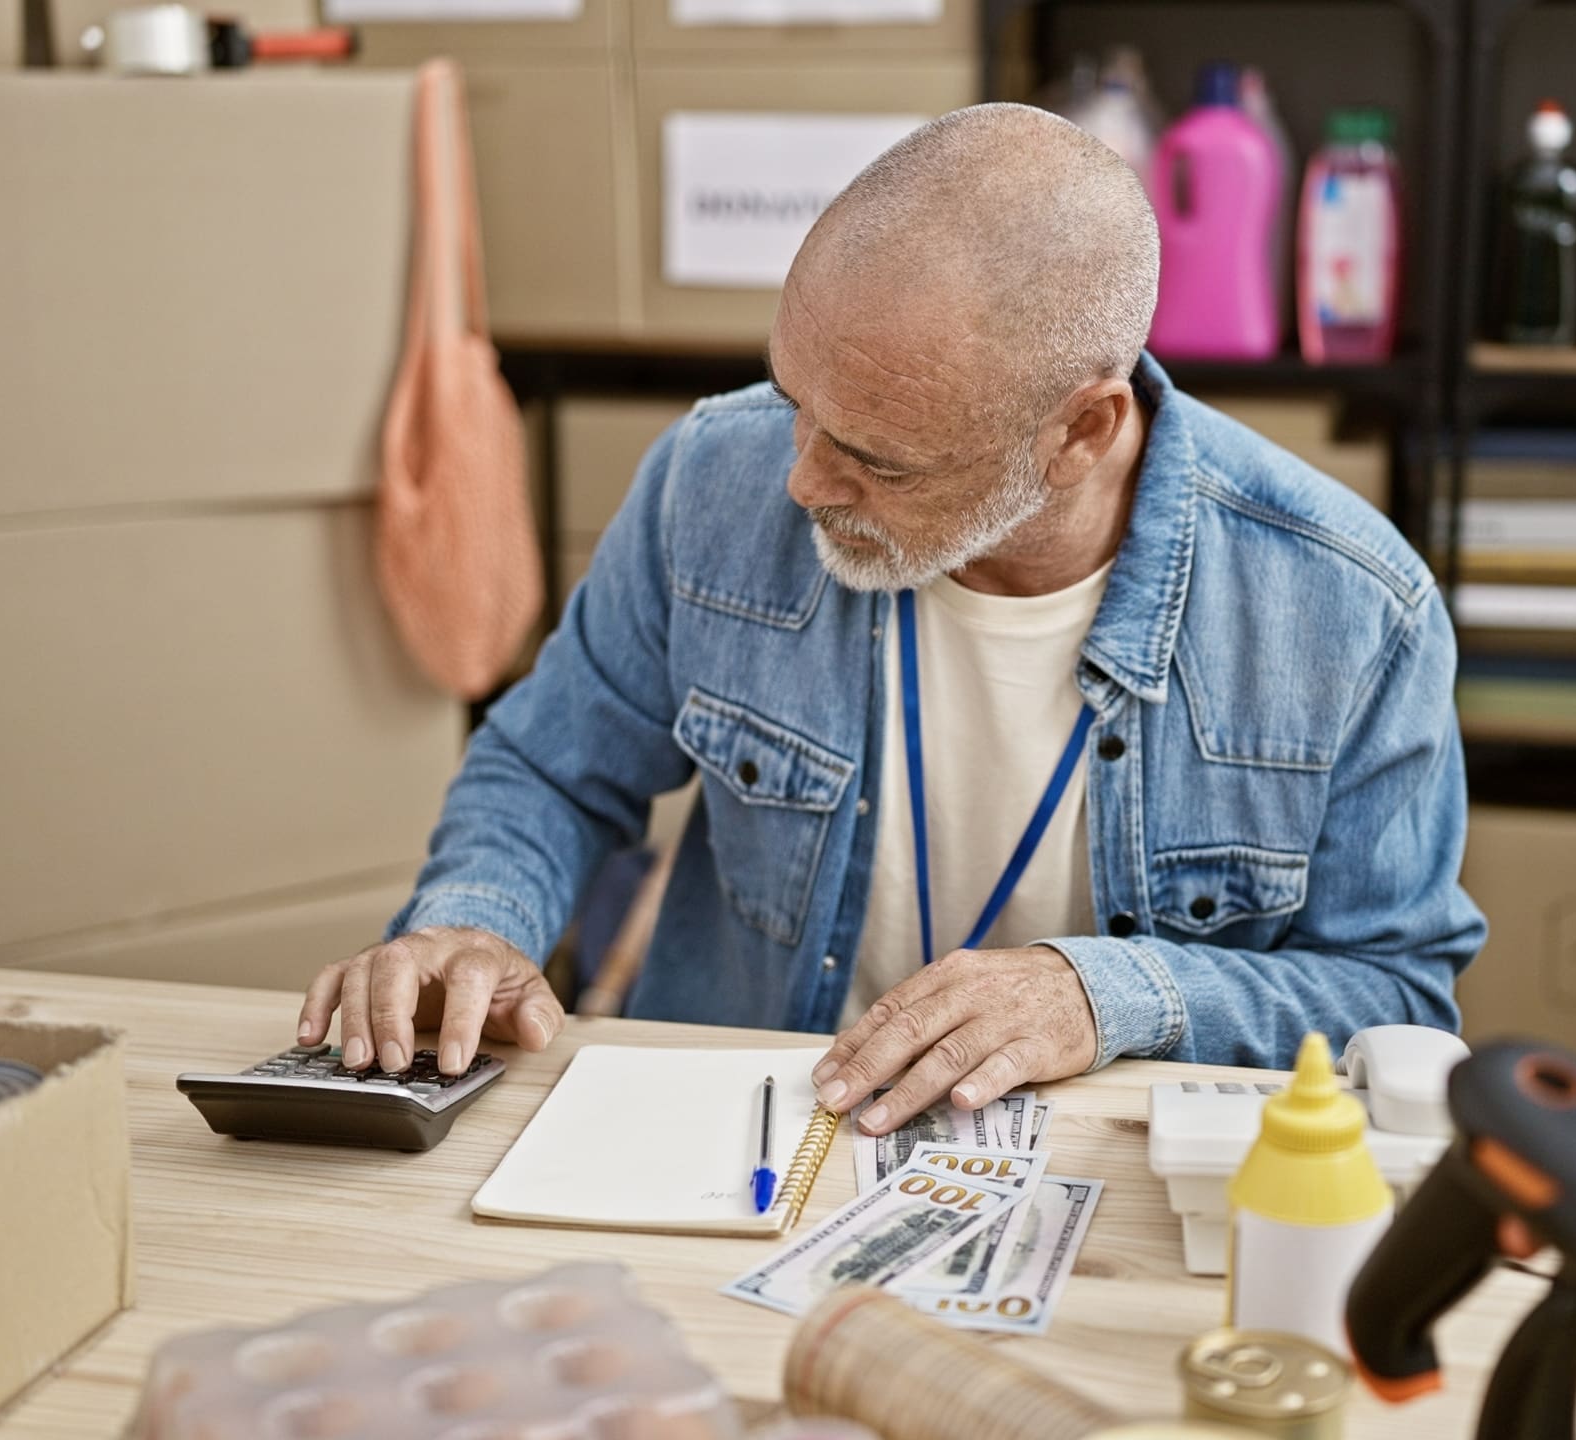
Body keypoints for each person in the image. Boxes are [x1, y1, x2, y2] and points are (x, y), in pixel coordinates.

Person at [297, 102, 1483, 1137]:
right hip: (744, 1138)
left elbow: (1398, 996)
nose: (802, 480)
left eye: (874, 456)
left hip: (1109, 1184)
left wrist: (1110, 995)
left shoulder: (1348, 611)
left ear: (1079, 432)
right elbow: (550, 768)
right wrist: (471, 923)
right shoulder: (713, 475)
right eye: (793, 396)